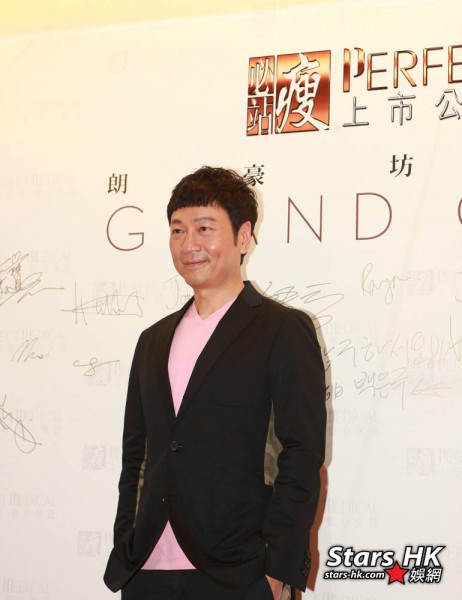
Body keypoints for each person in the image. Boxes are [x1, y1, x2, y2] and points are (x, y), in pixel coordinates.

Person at [104, 166, 326, 600]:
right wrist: (126, 542)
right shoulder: (153, 340)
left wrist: (276, 569)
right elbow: (137, 455)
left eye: (204, 228)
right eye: (178, 230)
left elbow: (302, 454)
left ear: (243, 237)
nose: (189, 244)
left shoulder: (281, 329)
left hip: (239, 572)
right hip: (147, 570)